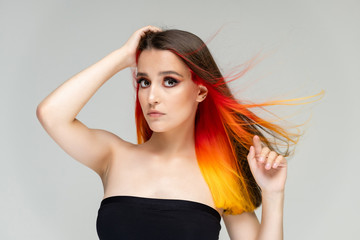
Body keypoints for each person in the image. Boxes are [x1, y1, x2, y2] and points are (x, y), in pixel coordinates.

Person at [36, 25, 312, 240]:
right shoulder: (112, 156)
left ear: (200, 91)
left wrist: (273, 195)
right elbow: (52, 114)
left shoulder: (221, 174)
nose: (152, 97)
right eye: (144, 82)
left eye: (170, 81)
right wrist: (123, 57)